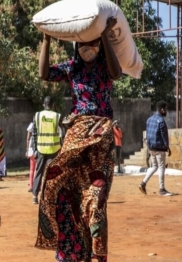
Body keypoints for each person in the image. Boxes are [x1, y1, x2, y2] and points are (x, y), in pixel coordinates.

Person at [35, 17, 122, 262]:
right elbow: (44, 74)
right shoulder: (72, 68)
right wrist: (46, 39)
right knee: (61, 190)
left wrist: (103, 35)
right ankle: (72, 254)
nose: (87, 49)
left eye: (92, 43)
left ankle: (96, 255)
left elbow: (116, 73)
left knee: (95, 202)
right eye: (83, 44)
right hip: (76, 137)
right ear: (77, 45)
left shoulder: (107, 66)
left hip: (100, 141)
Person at [139, 101, 173, 196]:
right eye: (166, 109)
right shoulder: (161, 121)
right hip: (159, 148)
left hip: (151, 148)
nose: (166, 111)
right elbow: (164, 135)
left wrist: (148, 146)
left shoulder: (149, 120)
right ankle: (162, 190)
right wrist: (167, 147)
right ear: (162, 109)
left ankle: (143, 183)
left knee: (154, 166)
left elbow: (148, 134)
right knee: (161, 167)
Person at [32, 96, 62, 205]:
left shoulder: (38, 115)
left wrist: (35, 149)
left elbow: (34, 134)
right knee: (51, 173)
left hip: (40, 148)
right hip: (53, 149)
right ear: (53, 105)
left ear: (43, 104)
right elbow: (63, 130)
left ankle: (35, 195)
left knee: (39, 171)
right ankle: (50, 196)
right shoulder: (56, 116)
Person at [26, 121, 36, 192]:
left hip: (31, 149)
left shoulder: (31, 125)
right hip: (39, 149)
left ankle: (31, 186)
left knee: (32, 169)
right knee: (38, 169)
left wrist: (27, 150)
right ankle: (38, 186)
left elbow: (28, 138)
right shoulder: (41, 123)